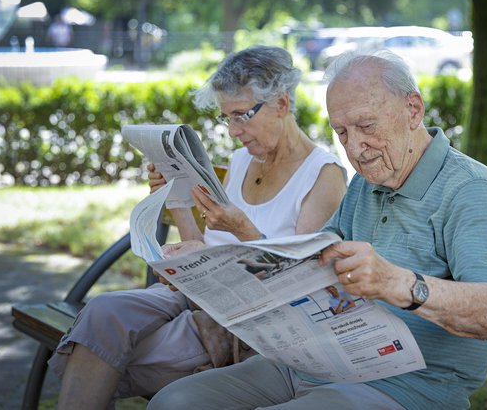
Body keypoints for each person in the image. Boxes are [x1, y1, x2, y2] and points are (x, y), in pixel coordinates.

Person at [148, 50, 487, 410]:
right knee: (174, 401)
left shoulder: (469, 188)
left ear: (413, 110)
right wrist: (206, 267)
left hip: (403, 387)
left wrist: (397, 283)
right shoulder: (366, 183)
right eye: (341, 132)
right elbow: (302, 266)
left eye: (366, 126)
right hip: (316, 360)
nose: (355, 148)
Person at [49, 45, 347, 410]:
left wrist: (242, 228)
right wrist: (176, 201)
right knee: (102, 312)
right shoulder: (242, 160)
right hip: (203, 298)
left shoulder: (323, 176)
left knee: (96, 351)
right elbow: (205, 246)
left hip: (248, 322)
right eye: (227, 118)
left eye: (241, 116)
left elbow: (300, 281)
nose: (234, 131)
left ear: (282, 104)